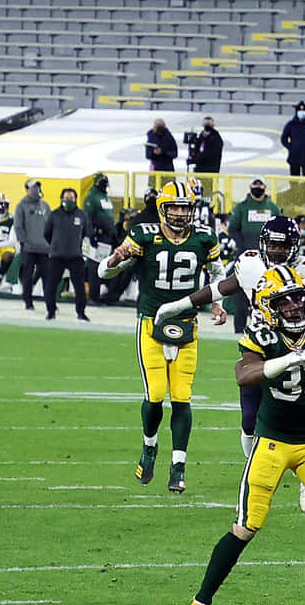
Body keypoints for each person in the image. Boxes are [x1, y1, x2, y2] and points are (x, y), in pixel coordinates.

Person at [182, 267, 305, 605]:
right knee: (246, 526)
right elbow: (243, 373)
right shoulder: (262, 331)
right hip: (272, 442)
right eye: (284, 301)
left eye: (300, 297)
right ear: (269, 307)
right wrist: (285, 361)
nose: (295, 305)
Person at [155, 214, 305, 457]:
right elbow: (220, 289)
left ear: (294, 246)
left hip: (298, 346)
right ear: (263, 244)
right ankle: (253, 465)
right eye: (272, 245)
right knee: (249, 418)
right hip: (261, 344)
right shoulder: (251, 265)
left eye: (283, 246)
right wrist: (178, 305)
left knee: (301, 413)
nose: (277, 252)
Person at [98, 180, 225, 493]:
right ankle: (149, 446)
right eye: (176, 207)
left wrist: (218, 303)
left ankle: (179, 464)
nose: (181, 213)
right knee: (155, 394)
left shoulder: (204, 237)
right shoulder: (143, 235)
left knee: (182, 396)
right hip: (151, 324)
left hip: (187, 324)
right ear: (162, 208)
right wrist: (113, 260)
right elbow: (105, 273)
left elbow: (218, 273)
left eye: (186, 207)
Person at [227, 178, 282, 332]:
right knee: (241, 297)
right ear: (251, 187)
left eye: (260, 185)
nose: (258, 188)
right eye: (255, 185)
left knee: (267, 295)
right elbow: (233, 228)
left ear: (265, 187)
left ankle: (264, 331)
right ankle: (238, 332)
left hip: (267, 260)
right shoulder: (242, 208)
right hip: (245, 258)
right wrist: (242, 246)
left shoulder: (272, 208)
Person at [43, 187, 90, 322]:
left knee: (79, 287)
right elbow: (47, 234)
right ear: (61, 199)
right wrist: (56, 245)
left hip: (76, 256)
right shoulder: (54, 214)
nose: (68, 200)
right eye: (66, 198)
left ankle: (81, 313)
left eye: (71, 198)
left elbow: (87, 233)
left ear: (75, 199)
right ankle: (51, 312)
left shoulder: (82, 215)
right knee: (51, 285)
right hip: (57, 256)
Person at [13, 179, 52, 311]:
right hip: (29, 247)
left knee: (47, 276)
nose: (37, 190)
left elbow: (51, 225)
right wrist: (24, 241)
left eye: (38, 187)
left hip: (45, 248)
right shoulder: (21, 206)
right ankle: (28, 302)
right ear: (28, 190)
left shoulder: (45, 206)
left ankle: (49, 302)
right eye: (34, 187)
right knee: (27, 276)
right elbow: (18, 226)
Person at [82, 172, 116, 305]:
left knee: (106, 267)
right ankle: (93, 297)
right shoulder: (91, 197)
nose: (105, 182)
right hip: (97, 237)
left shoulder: (105, 197)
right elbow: (88, 217)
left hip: (107, 238)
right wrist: (91, 235)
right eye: (102, 180)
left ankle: (103, 295)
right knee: (95, 268)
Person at [280, 101, 305, 177]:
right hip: (294, 157)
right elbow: (283, 138)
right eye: (300, 111)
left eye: (303, 111)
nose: (301, 113)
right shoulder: (291, 124)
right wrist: (291, 147)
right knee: (294, 180)